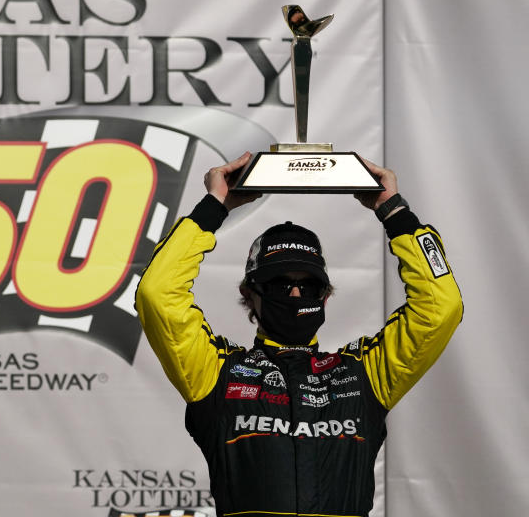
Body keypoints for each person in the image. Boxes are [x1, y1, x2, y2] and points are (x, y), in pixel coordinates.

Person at [135, 152, 463, 517]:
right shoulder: (215, 371)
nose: (295, 294)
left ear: (326, 295)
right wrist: (214, 206)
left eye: (308, 286)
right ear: (249, 293)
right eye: (279, 283)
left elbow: (441, 307)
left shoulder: (363, 372)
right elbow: (158, 294)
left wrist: (395, 212)